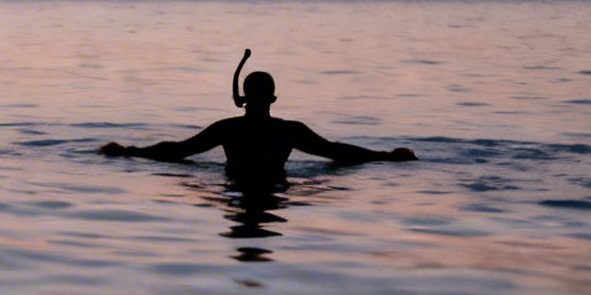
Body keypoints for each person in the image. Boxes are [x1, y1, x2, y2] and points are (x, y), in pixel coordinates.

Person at [98, 71, 416, 184]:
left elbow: (178, 152)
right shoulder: (289, 130)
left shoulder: (228, 128)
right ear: (273, 98)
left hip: (234, 186)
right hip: (276, 187)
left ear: (243, 97)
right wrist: (386, 156)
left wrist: (129, 151)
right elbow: (336, 153)